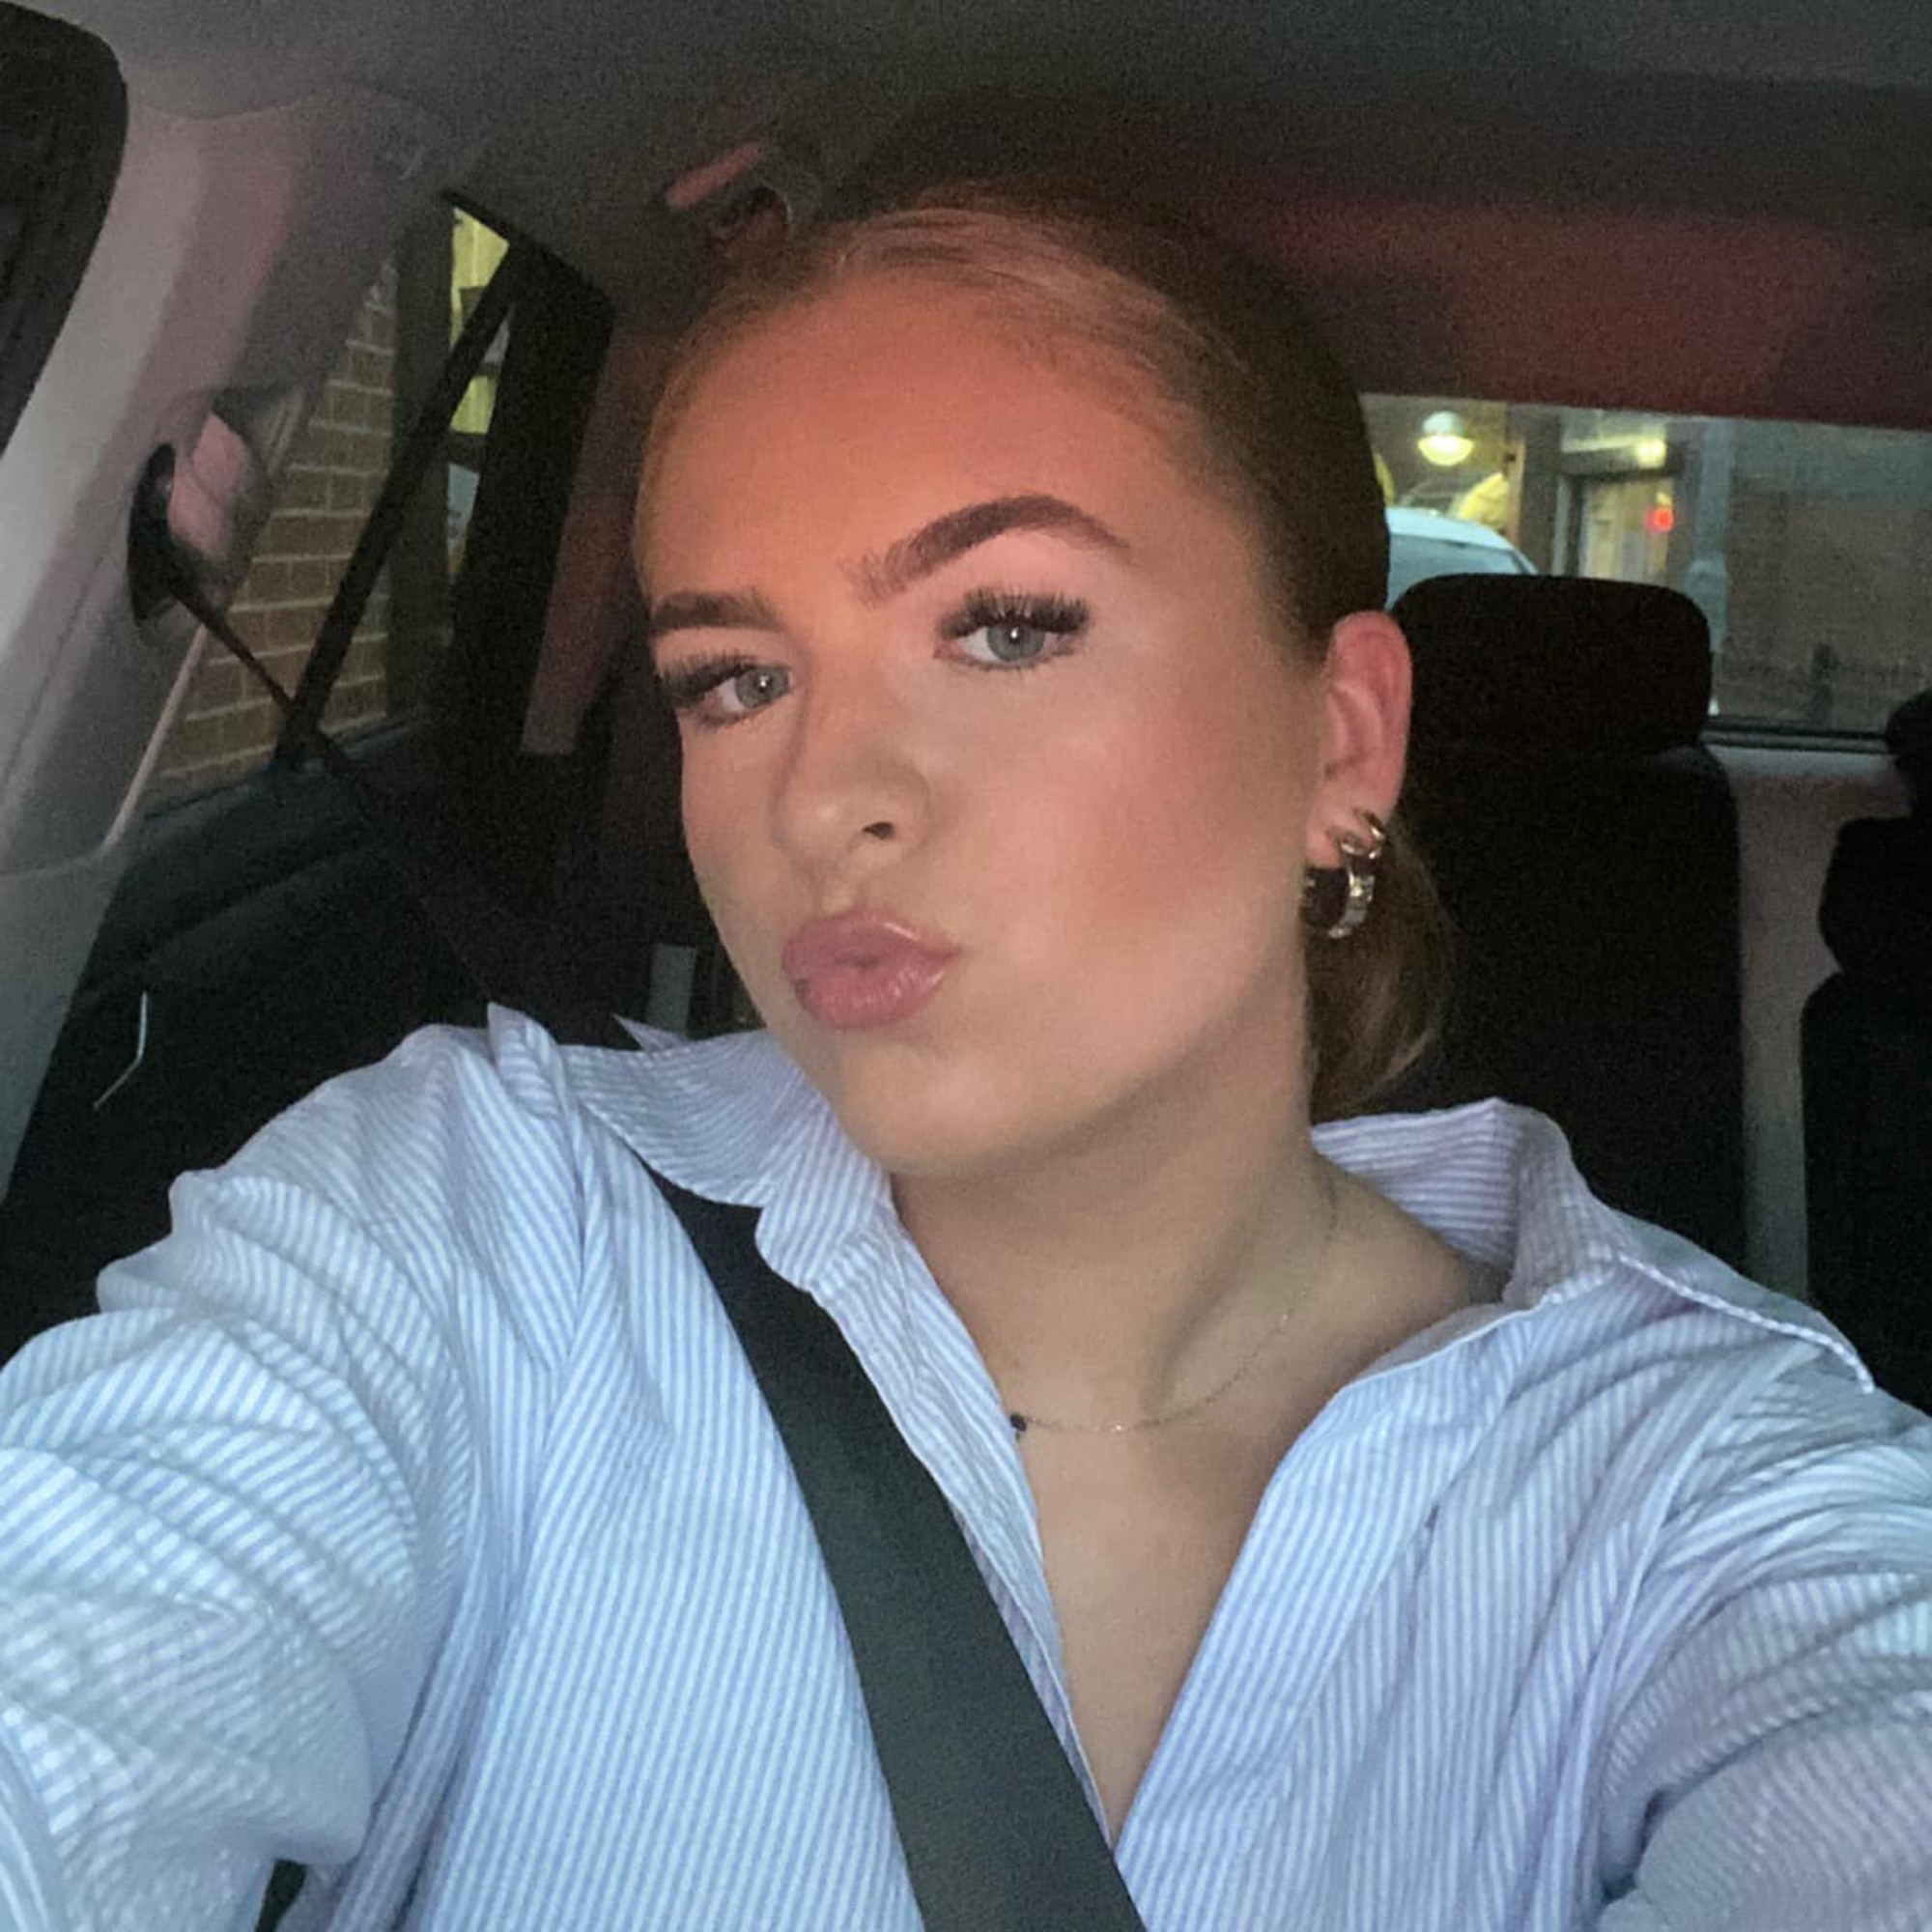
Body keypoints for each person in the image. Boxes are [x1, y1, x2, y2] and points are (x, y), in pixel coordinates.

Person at [2, 185, 1931, 1932]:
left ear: (1342, 739)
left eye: (1004, 628)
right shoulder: (473, 1217)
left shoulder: (1721, 1494)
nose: (820, 794)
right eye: (732, 679)